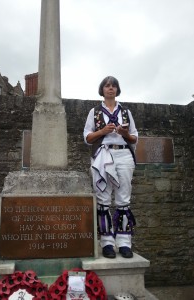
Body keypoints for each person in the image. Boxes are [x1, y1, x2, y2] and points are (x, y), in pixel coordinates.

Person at [83, 76, 138, 259]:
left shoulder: (126, 111)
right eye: (107, 85)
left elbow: (135, 137)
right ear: (102, 89)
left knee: (123, 199)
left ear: (117, 89)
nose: (111, 88)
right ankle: (107, 242)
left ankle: (124, 243)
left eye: (114, 85)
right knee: (103, 198)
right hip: (103, 154)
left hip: (123, 154)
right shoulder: (95, 111)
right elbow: (87, 137)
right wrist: (103, 131)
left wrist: (124, 133)